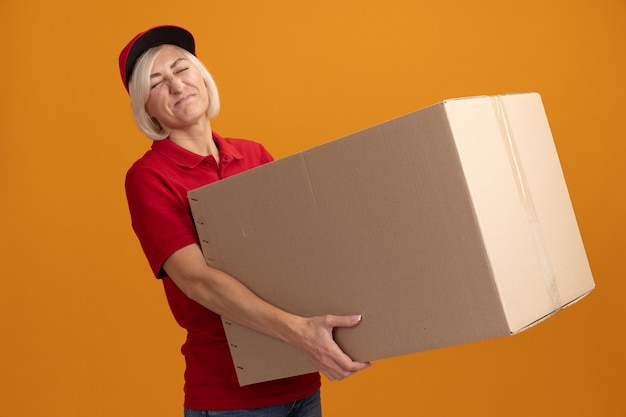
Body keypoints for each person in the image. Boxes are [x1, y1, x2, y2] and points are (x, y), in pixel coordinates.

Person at [118, 25, 370, 416]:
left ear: (201, 76)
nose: (175, 84)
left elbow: (300, 254)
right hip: (230, 398)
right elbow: (198, 281)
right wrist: (301, 334)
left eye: (181, 68)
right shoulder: (150, 177)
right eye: (156, 82)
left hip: (302, 378)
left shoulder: (253, 155)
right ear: (145, 107)